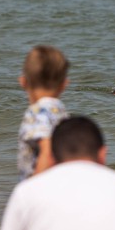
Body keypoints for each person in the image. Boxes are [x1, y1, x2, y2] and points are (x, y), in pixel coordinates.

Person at [17, 45, 69, 181]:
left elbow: (47, 152)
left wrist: (33, 191)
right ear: (64, 84)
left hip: (40, 189)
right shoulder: (61, 111)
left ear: (23, 82)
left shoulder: (36, 112)